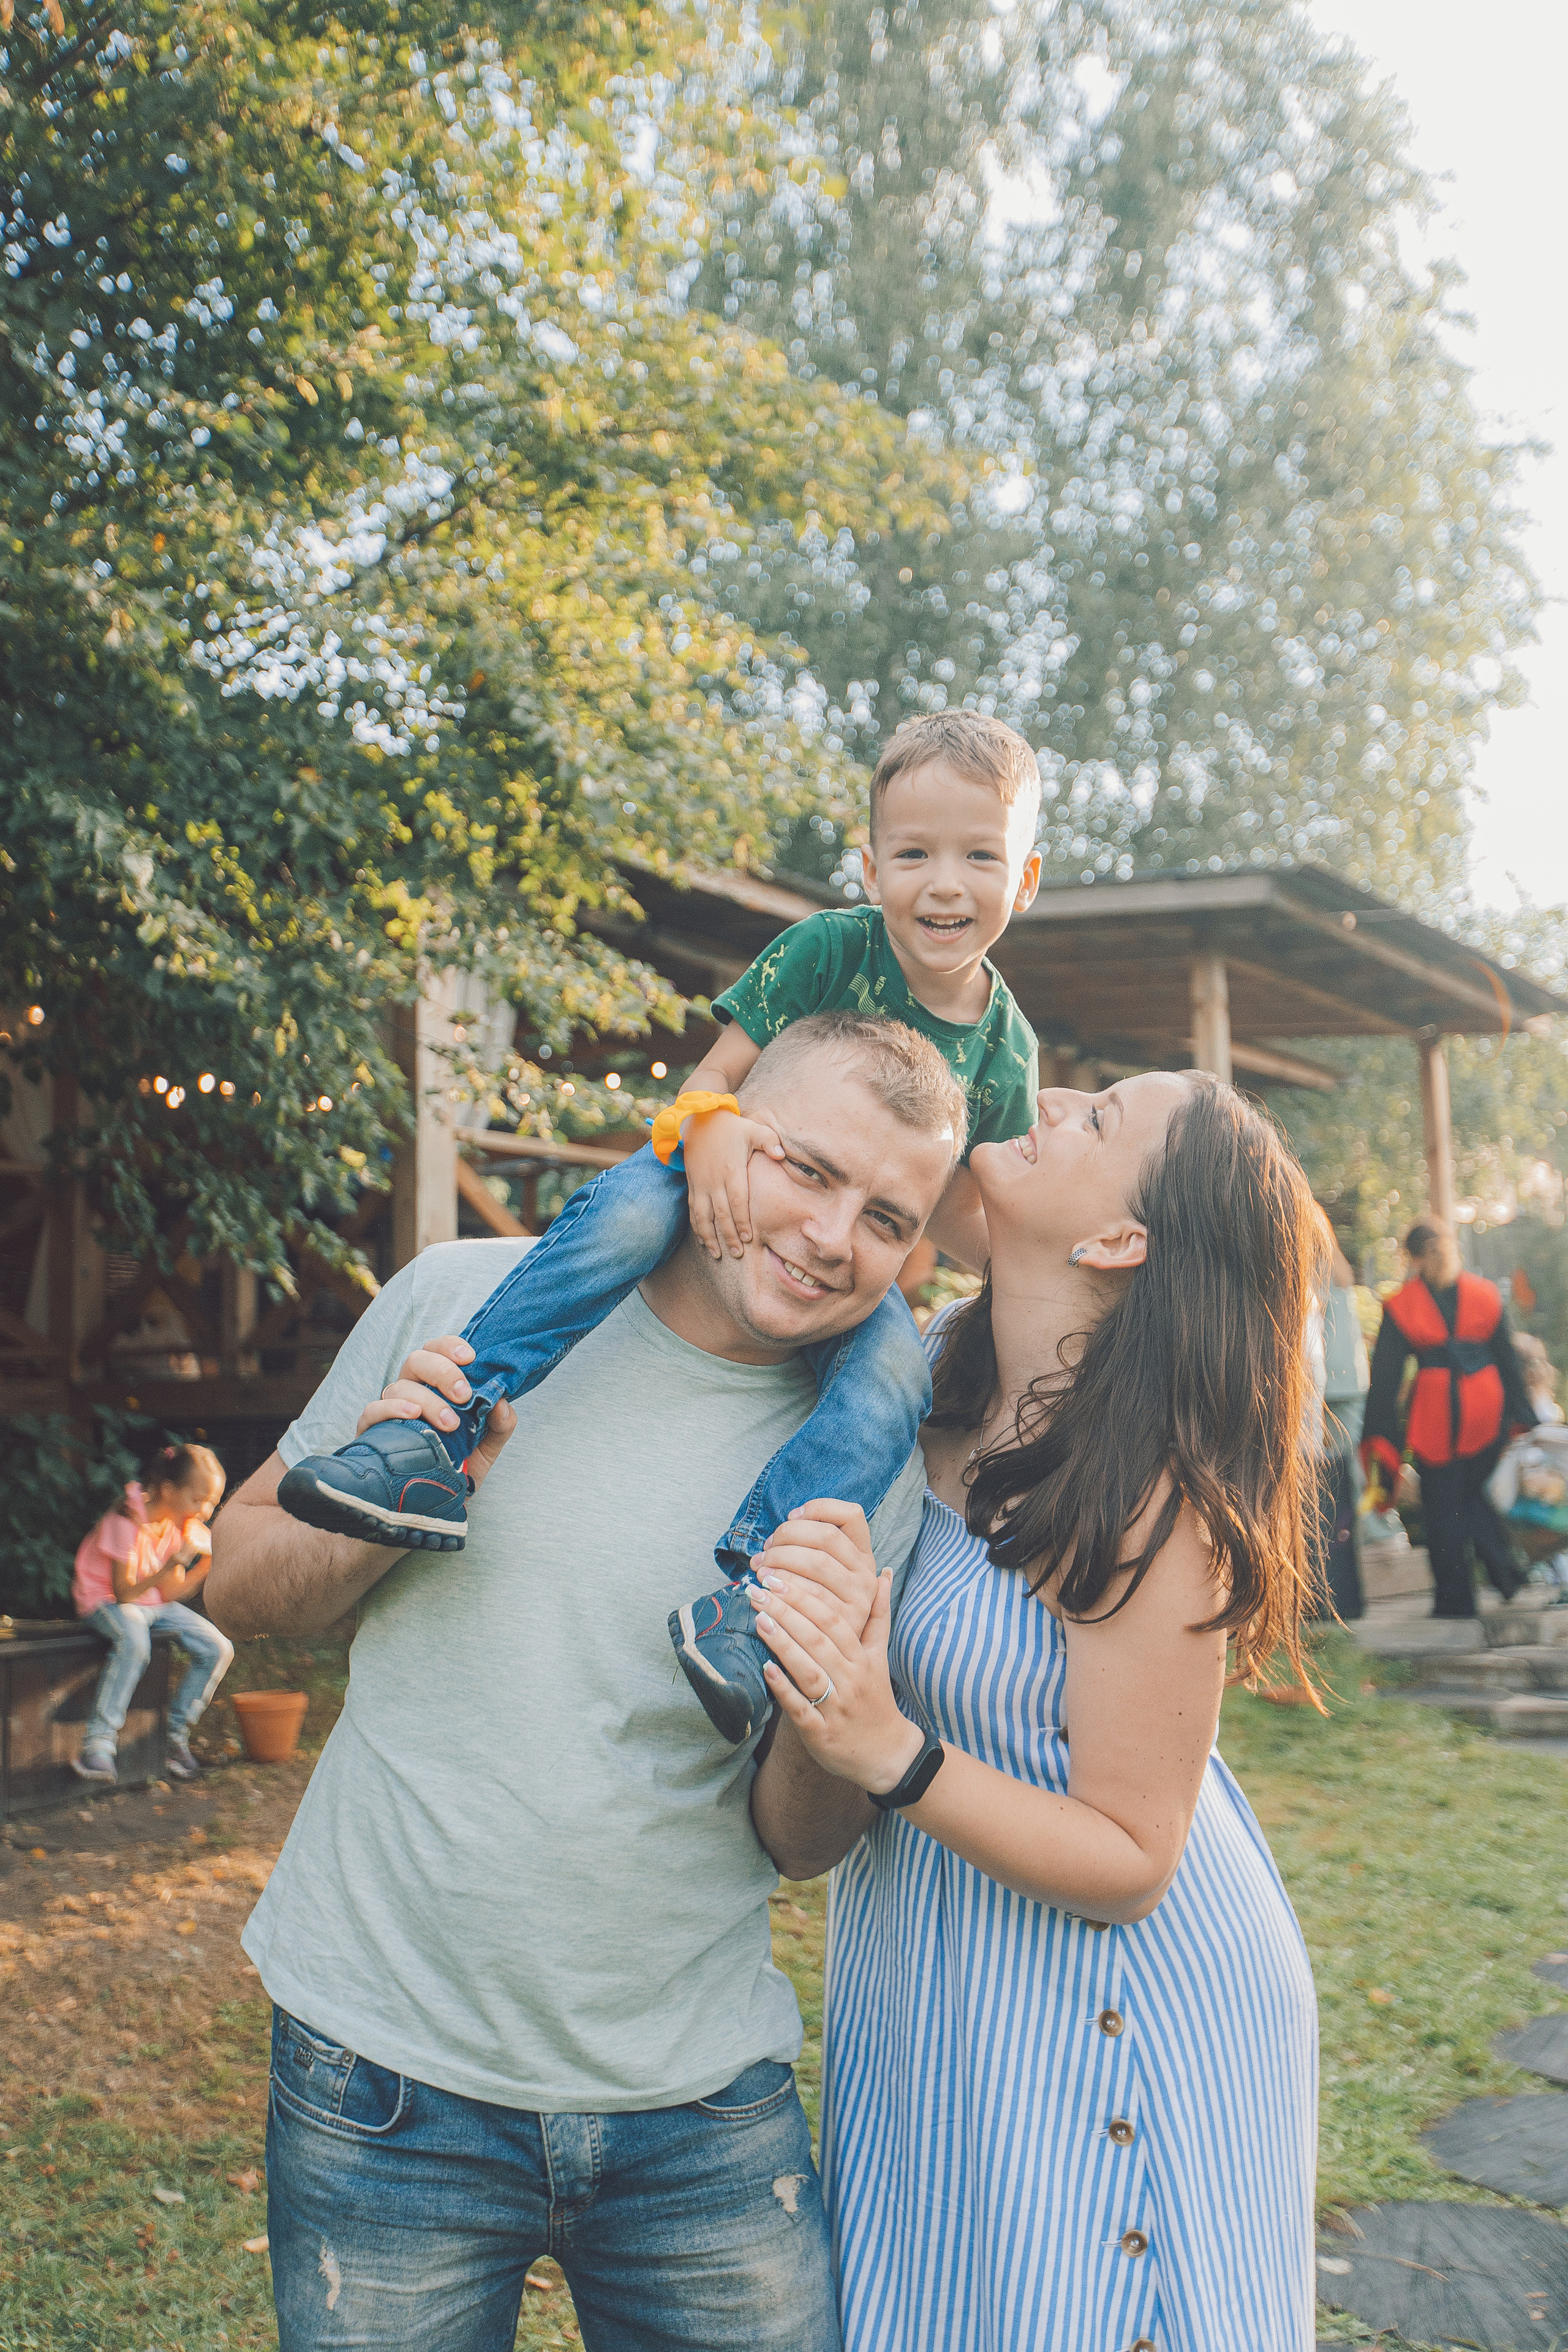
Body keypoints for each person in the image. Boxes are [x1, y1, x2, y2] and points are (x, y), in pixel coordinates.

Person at [206, 1013, 965, 2352]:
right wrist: (370, 1512)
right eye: (804, 1168)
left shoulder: (862, 1467)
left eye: (888, 1219)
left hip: (700, 2113)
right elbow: (237, 1587)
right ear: (720, 1136)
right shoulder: (464, 1298)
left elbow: (796, 1844)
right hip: (381, 2078)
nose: (833, 1237)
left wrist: (832, 1701)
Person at [277, 710, 1044, 1743]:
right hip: (711, 1168)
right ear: (870, 869)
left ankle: (750, 1603)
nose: (944, 885)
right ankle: (438, 1433)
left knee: (894, 1382)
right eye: (914, 854)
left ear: (1025, 881)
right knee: (628, 1215)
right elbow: (711, 1083)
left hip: (849, 1267)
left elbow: (984, 1217)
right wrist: (716, 1131)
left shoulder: (1006, 1053)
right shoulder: (826, 949)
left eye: (978, 857)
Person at [746, 1071, 1323, 2352]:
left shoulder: (1146, 1490)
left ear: (1119, 1241)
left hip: (1111, 2002)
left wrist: (888, 1751)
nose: (1052, 1094)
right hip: (932, 1976)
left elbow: (1130, 1858)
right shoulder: (924, 1394)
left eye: (1099, 1116)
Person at [1362, 1218, 1536, 1618]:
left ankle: (1457, 1600)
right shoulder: (1486, 1294)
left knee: (1444, 1508)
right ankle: (1507, 1575)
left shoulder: (1404, 1305)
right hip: (1485, 1410)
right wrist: (1521, 1417)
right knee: (1469, 1496)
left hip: (1438, 1417)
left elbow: (1386, 1379)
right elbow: (1507, 1361)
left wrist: (1379, 1434)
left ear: (1413, 1258)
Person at [71, 1442, 233, 1786]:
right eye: (198, 1499)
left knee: (218, 1648)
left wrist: (206, 1563)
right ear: (168, 1490)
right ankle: (98, 1746)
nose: (204, 1511)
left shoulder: (180, 1527)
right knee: (134, 1643)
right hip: (105, 1601)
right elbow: (124, 1593)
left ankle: (173, 1737)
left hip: (151, 1603)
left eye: (211, 1503)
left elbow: (172, 1593)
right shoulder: (126, 1519)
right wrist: (175, 1563)